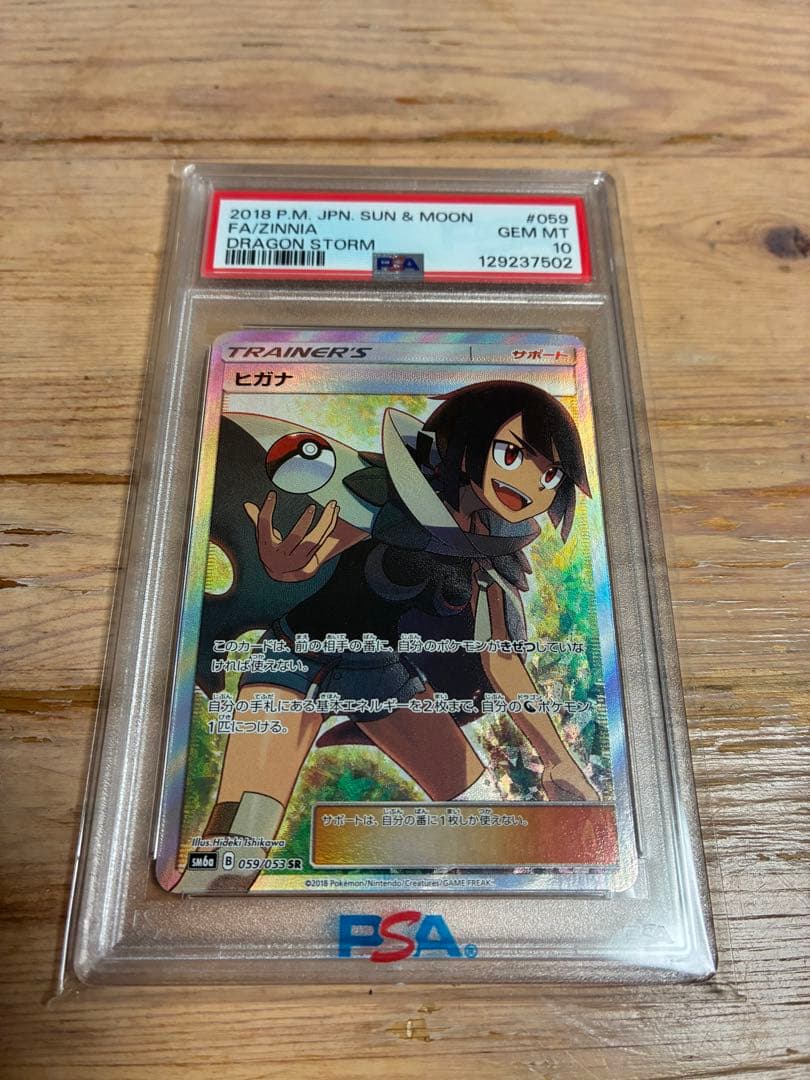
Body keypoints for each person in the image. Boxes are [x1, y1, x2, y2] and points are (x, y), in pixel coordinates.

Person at [178, 381, 597, 892]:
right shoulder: (387, 492)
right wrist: (284, 567)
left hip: (380, 675)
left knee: (483, 823)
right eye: (511, 454)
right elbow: (314, 556)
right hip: (293, 657)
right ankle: (194, 915)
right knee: (238, 840)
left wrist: (559, 761)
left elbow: (503, 661)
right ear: (469, 439)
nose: (530, 484)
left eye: (550, 475)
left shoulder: (493, 556)